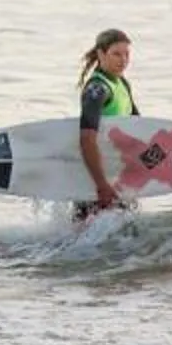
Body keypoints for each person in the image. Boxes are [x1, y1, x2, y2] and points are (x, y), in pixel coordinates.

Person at [74, 28, 139, 220]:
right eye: (116, 54)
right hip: (97, 182)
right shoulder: (97, 89)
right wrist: (101, 185)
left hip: (117, 176)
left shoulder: (122, 84)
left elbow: (139, 128)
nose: (123, 60)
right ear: (101, 54)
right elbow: (86, 139)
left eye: (127, 54)